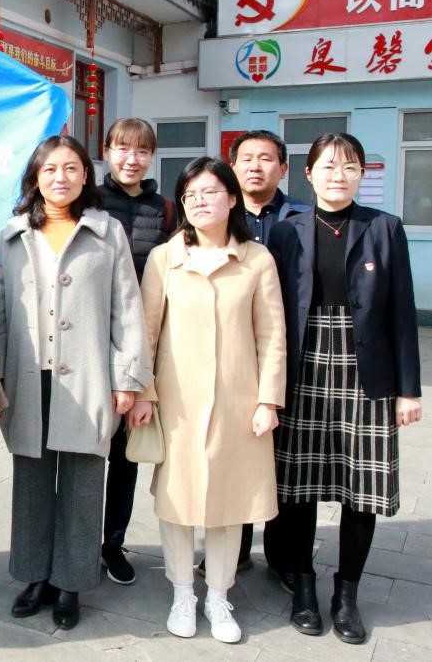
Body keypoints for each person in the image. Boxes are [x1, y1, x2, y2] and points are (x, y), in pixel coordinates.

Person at [0, 135, 149, 631]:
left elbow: (127, 308)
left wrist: (127, 379)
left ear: (85, 176)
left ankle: (71, 582)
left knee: (82, 484)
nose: (61, 177)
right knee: (31, 482)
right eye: (50, 169)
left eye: (71, 168)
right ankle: (35, 576)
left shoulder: (108, 231)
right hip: (28, 376)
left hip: (89, 376)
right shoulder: (13, 234)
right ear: (35, 178)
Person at [268, 133, 422, 644]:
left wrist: (409, 390)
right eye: (329, 167)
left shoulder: (384, 227)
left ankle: (346, 593)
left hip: (367, 368)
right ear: (308, 174)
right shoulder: (287, 231)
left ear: (361, 175)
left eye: (350, 167)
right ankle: (303, 586)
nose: (339, 176)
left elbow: (401, 311)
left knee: (363, 488)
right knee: (299, 486)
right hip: (304, 365)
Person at [131, 157, 285, 644]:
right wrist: (144, 392)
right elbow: (146, 332)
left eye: (210, 192)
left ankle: (219, 595)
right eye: (190, 194)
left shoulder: (256, 259)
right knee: (176, 501)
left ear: (232, 199)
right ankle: (182, 592)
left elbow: (272, 335)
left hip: (238, 401)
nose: (199, 202)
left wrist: (268, 400)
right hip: (177, 401)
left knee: (228, 502)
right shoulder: (166, 257)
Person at [202, 130, 306, 583]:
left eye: (266, 159)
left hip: (287, 350)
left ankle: (282, 556)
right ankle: (235, 548)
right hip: (230, 357)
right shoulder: (218, 215)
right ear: (233, 167)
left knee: (284, 459)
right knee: (232, 454)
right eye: (246, 158)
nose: (255, 167)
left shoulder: (300, 219)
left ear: (283, 168)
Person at [97, 117, 174, 586]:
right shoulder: (88, 203)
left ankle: (113, 543)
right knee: (87, 453)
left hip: (139, 341)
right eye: (123, 149)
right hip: (89, 342)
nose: (132, 159)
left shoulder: (164, 210)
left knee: (125, 456)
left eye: (142, 151)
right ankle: (79, 542)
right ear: (107, 151)